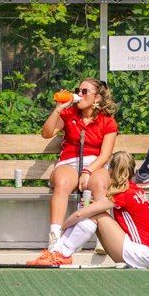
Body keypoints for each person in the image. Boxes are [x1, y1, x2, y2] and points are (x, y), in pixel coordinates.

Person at [26, 152, 149, 268]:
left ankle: (62, 254)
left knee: (94, 213)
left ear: (110, 170)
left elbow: (79, 214)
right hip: (141, 254)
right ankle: (57, 253)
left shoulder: (123, 193)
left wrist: (63, 228)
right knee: (93, 211)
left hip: (138, 254)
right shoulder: (134, 189)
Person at [39, 77, 118, 249]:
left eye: (84, 91)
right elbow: (46, 134)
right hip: (69, 162)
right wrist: (58, 109)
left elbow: (105, 155)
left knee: (99, 184)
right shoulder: (69, 114)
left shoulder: (107, 121)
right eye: (77, 91)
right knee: (62, 182)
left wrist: (88, 171)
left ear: (97, 97)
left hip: (95, 164)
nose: (79, 94)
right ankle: (55, 236)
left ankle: (104, 236)